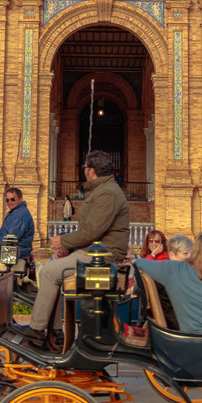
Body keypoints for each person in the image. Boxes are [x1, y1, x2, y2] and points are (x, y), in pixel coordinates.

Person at [17, 149, 129, 348]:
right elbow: (91, 231)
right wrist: (69, 248)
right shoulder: (102, 190)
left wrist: (63, 242)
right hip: (93, 251)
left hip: (103, 256)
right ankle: (56, 332)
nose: (83, 170)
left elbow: (93, 231)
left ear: (91, 171)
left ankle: (37, 331)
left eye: (85, 167)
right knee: (54, 267)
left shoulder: (107, 193)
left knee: (50, 272)